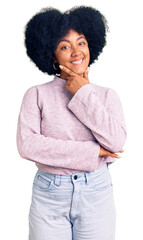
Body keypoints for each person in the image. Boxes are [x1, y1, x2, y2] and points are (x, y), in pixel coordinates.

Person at [16, 5, 127, 240]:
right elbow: (28, 146)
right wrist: (94, 151)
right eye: (65, 46)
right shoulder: (36, 95)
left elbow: (116, 141)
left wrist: (83, 92)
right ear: (52, 54)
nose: (76, 52)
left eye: (81, 43)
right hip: (49, 195)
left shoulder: (107, 96)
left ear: (91, 46)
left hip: (97, 193)